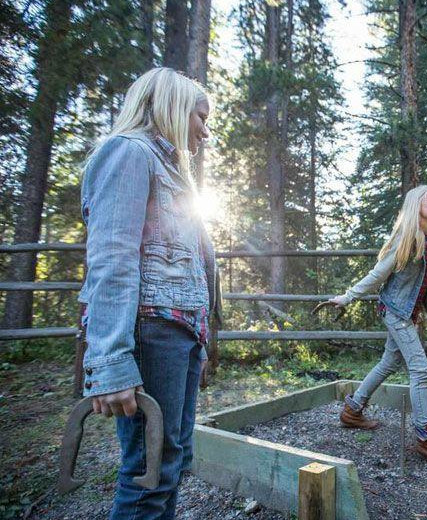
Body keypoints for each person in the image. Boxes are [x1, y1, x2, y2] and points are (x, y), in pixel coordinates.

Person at [77, 67, 217, 519]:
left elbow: (193, 265)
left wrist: (202, 338)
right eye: (200, 117)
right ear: (174, 108)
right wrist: (112, 360)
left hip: (177, 334)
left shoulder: (172, 171)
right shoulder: (128, 153)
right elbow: (112, 259)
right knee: (149, 469)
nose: (205, 132)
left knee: (172, 460)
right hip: (150, 332)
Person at [326, 185, 427, 467]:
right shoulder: (407, 239)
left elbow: (426, 283)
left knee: (389, 362)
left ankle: (353, 409)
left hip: (408, 312)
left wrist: (421, 310)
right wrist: (348, 296)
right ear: (417, 205)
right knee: (420, 368)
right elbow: (378, 274)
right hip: (394, 311)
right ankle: (426, 436)